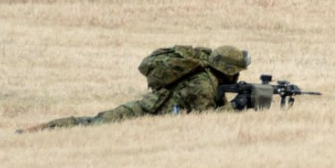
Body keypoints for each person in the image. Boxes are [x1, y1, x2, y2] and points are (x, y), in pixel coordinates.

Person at [32, 44, 249, 129]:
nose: (238, 75)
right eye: (236, 71)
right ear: (227, 70)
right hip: (142, 112)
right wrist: (236, 106)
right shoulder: (203, 84)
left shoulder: (208, 77)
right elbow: (205, 119)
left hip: (149, 109)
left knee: (92, 122)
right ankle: (42, 129)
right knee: (91, 123)